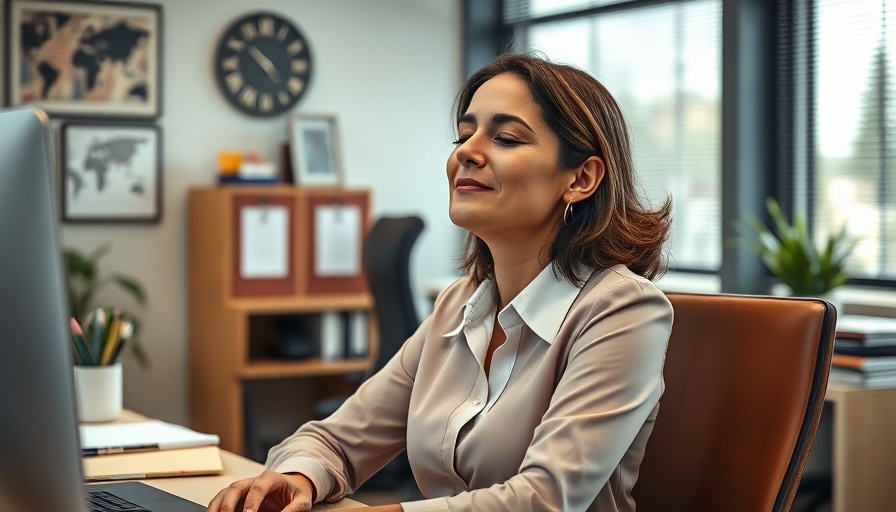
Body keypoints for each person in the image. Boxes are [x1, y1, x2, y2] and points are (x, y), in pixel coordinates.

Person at [207, 52, 674, 512]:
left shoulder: (624, 312)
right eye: (464, 135)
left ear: (581, 178)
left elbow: (545, 500)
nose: (466, 153)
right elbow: (336, 439)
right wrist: (297, 478)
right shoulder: (460, 305)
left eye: (507, 139)